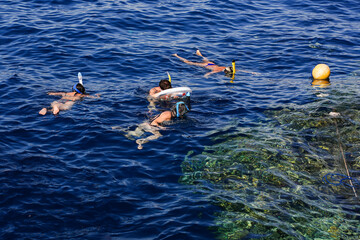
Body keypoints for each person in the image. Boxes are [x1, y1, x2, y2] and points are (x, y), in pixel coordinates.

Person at [114, 100, 190, 150]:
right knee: (158, 136)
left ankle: (120, 129)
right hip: (150, 126)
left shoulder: (168, 113)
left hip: (145, 123)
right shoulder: (168, 115)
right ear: (179, 111)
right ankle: (141, 141)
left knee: (134, 134)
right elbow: (154, 123)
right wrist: (161, 127)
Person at [173, 49, 259, 78]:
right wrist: (206, 76)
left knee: (205, 59)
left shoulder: (224, 68)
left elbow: (240, 70)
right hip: (207, 66)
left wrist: (251, 72)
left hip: (211, 64)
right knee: (189, 62)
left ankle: (199, 54)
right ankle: (177, 56)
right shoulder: (219, 70)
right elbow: (211, 72)